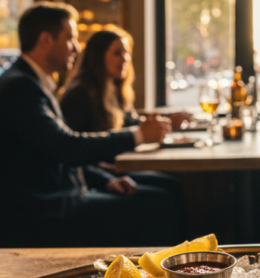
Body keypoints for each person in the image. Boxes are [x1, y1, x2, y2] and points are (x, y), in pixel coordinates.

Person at [0, 2, 179, 247]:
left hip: (57, 201)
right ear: (45, 40)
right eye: (70, 38)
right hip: (38, 215)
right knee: (160, 207)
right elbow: (66, 147)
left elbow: (56, 152)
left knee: (166, 195)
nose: (76, 47)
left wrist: (103, 180)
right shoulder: (18, 88)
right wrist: (138, 135)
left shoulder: (31, 84)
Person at [58, 27, 185, 212]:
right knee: (164, 197)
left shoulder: (113, 89)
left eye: (126, 53)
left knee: (173, 185)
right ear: (98, 57)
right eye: (117, 53)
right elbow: (72, 151)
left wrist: (167, 120)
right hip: (92, 177)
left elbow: (131, 123)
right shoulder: (80, 94)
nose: (125, 58)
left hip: (112, 170)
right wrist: (105, 178)